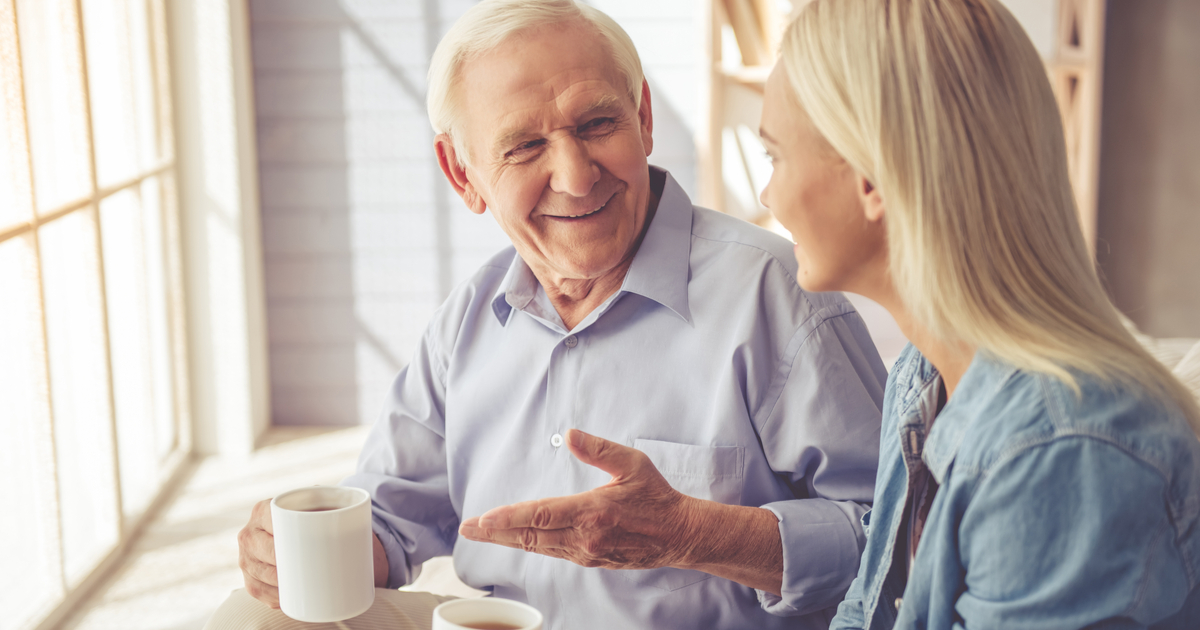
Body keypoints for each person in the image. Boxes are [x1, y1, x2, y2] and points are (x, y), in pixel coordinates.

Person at [206, 1, 888, 629]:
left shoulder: (780, 294)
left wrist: (690, 533)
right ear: (463, 173)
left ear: (643, 117)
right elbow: (390, 515)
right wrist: (303, 548)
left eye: (597, 124)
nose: (575, 175)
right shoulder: (466, 322)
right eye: (524, 147)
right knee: (250, 617)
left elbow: (899, 539)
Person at [755, 0, 1200, 628]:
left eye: (775, 156)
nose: (766, 194)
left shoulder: (1063, 451)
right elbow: (866, 609)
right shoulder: (922, 375)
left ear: (871, 178)